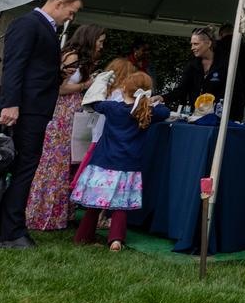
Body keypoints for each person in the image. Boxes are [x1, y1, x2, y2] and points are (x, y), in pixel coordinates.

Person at [0, 0, 83, 247]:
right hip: (26, 109)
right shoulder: (28, 24)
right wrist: (10, 103)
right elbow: (14, 65)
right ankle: (12, 232)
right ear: (58, 3)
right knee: (23, 168)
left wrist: (57, 75)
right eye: (71, 11)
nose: (71, 17)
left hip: (33, 107)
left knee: (17, 167)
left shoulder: (44, 27)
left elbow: (34, 68)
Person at [71, 73, 171, 251]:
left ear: (124, 88)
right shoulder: (147, 112)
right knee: (120, 204)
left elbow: (94, 102)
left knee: (95, 203)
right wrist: (150, 102)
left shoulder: (112, 108)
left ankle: (83, 236)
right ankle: (116, 239)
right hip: (128, 166)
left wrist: (101, 81)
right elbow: (165, 112)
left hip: (103, 162)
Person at [27, 23, 106, 232]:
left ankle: (62, 214)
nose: (101, 46)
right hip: (62, 112)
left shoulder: (81, 59)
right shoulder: (71, 57)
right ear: (90, 38)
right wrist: (85, 85)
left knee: (68, 164)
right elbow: (59, 87)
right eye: (100, 41)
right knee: (55, 163)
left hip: (74, 113)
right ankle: (44, 214)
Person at [166, 28, 225, 113]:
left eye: (196, 44)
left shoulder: (225, 64)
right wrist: (162, 98)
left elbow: (236, 92)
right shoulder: (192, 65)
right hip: (195, 116)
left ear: (208, 43)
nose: (192, 48)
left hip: (219, 118)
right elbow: (181, 90)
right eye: (192, 44)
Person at [214, 23, 245, 121]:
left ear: (220, 34)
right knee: (235, 123)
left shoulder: (216, 47)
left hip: (219, 91)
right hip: (241, 92)